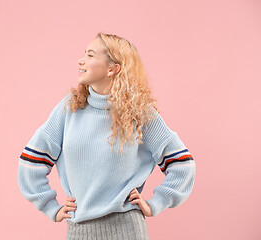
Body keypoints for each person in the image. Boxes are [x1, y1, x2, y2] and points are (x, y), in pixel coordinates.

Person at [17, 32, 196, 240]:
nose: (81, 60)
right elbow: (31, 161)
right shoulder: (69, 108)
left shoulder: (140, 113)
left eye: (90, 55)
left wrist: (156, 203)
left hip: (128, 231)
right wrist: (50, 206)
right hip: (79, 231)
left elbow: (182, 165)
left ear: (112, 68)